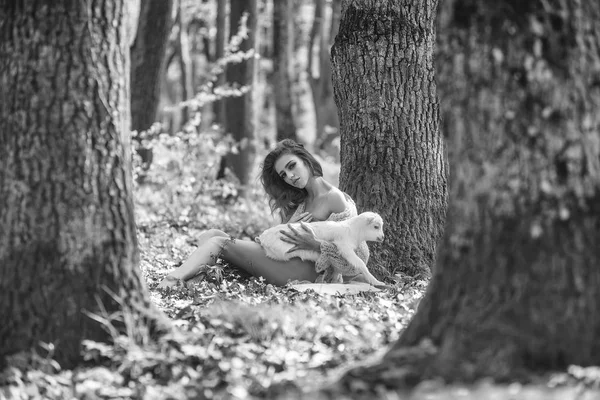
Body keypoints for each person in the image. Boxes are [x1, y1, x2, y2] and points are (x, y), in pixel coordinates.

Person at [157, 139, 385, 289]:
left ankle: (171, 281)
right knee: (211, 234)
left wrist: (315, 244)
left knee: (217, 242)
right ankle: (194, 278)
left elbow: (357, 254)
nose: (290, 176)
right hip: (285, 262)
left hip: (305, 272)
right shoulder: (302, 202)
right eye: (284, 174)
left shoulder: (335, 199)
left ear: (305, 159)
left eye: (292, 166)